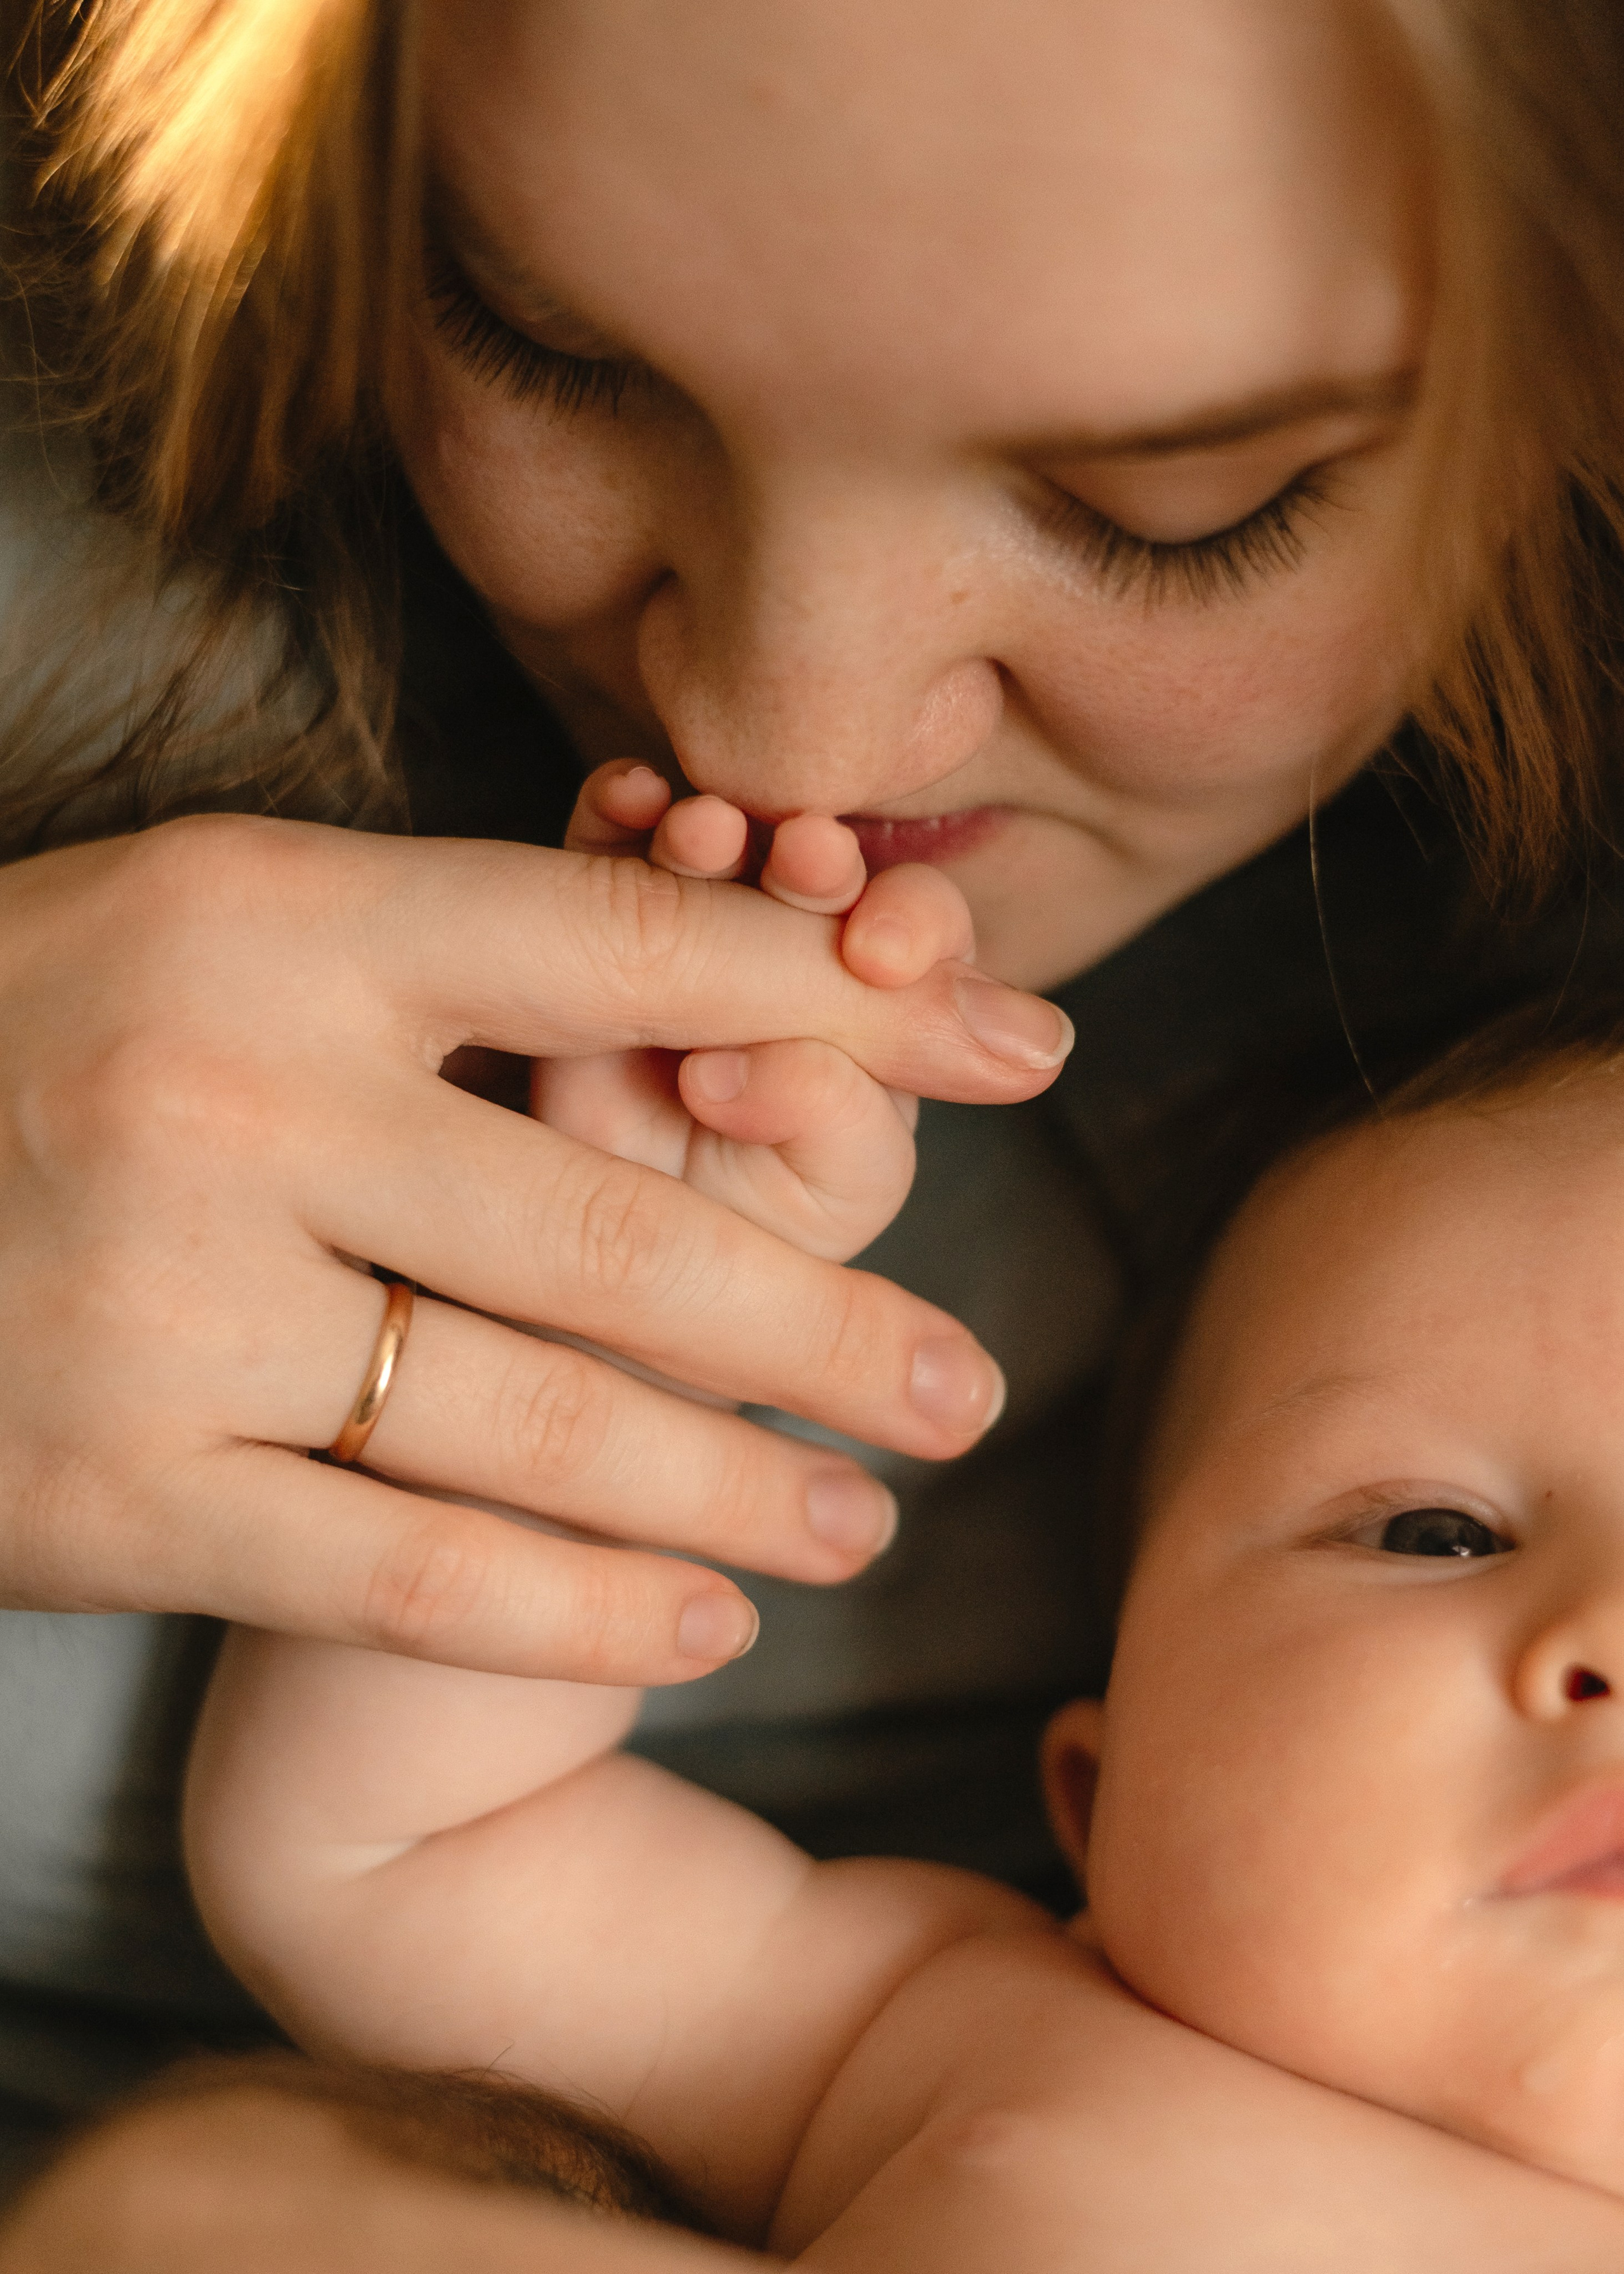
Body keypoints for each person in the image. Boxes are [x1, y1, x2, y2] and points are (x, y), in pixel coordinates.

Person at [4, 0, 1624, 2256]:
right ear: (1105, 1783)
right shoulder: (976, 2040)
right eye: (546, 341)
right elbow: (396, 1861)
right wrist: (604, 1300)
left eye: (1182, 506)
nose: (784, 734)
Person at [174, 1002, 1624, 2272]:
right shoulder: (933, 2030)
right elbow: (417, 1848)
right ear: (1099, 1800)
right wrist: (640, 1294)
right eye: (1438, 1534)